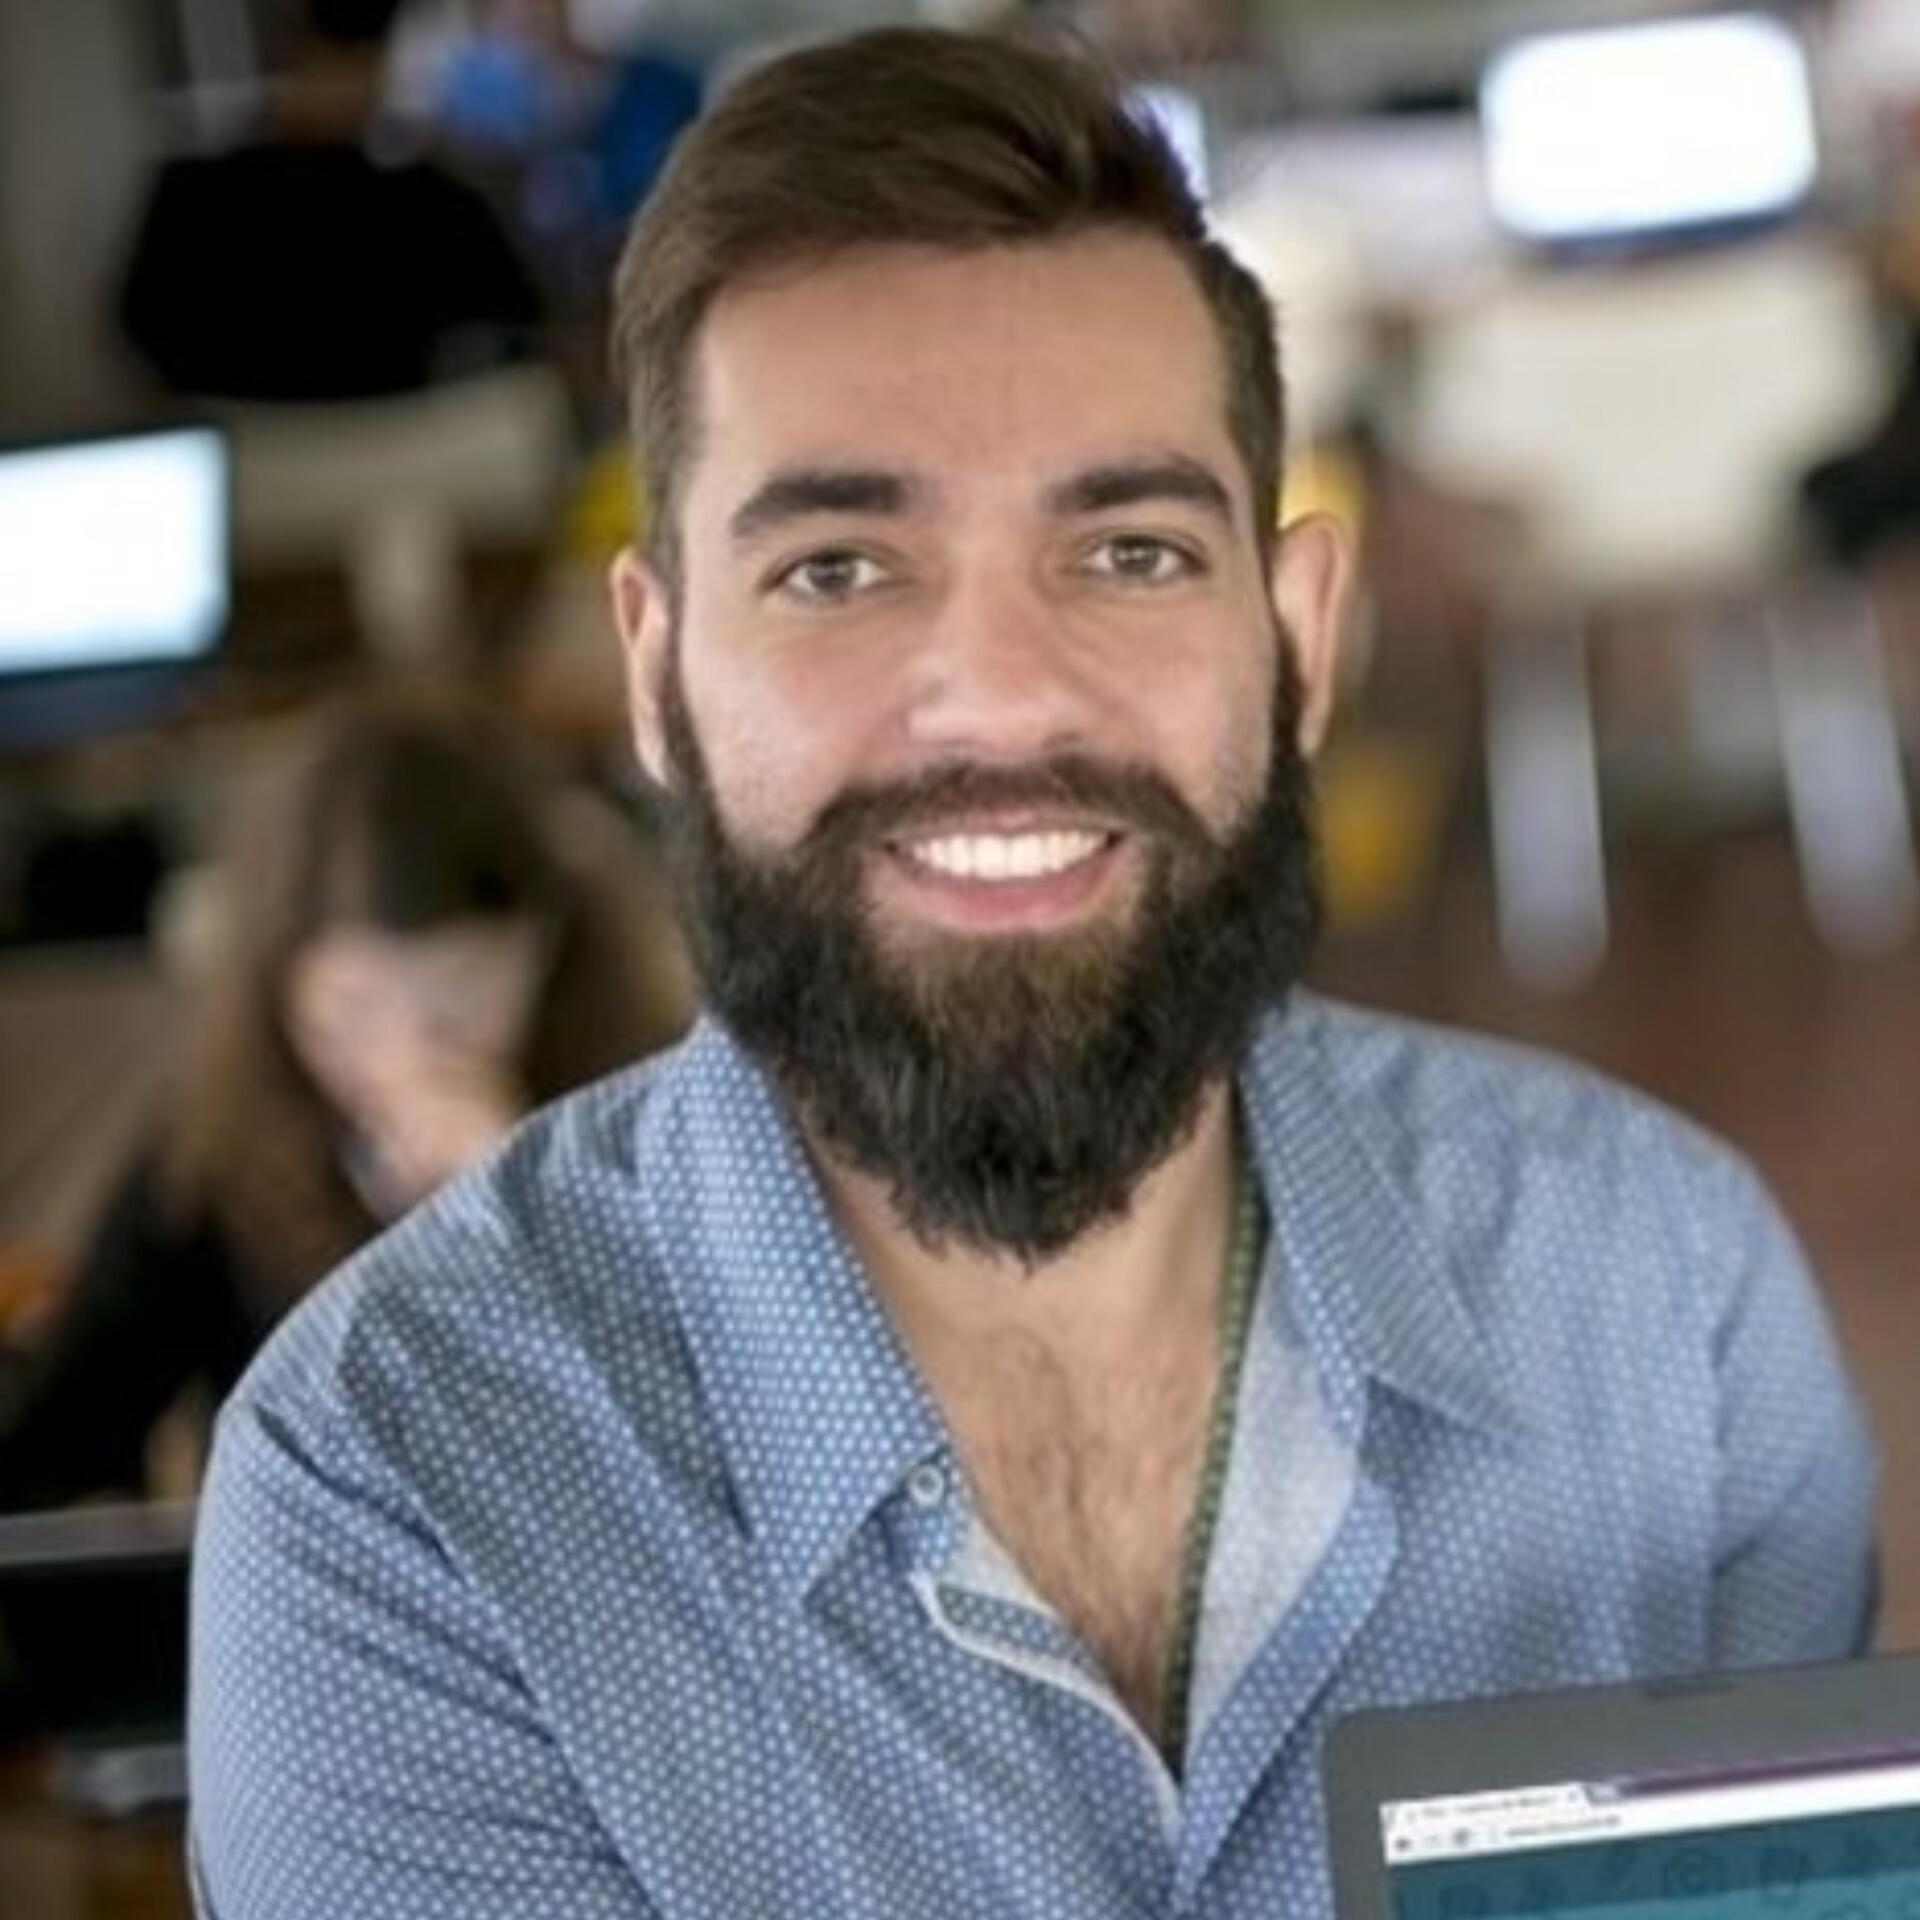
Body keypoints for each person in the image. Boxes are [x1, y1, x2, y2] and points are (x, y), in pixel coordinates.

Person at [188, 29, 1877, 1920]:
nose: (996, 694)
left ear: (1302, 642)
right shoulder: (397, 1506)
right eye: (838, 569)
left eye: (1132, 550)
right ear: (657, 676)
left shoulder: (1670, 1307)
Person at [0, 686, 686, 1513]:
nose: (403, 1053)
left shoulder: (656, 1126)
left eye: (457, 997)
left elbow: (692, 1441)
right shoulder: (221, 1146)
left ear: (543, 947)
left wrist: (517, 1207)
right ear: (280, 987)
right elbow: (55, 1441)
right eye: (351, 1007)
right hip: (309, 1612)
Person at [117, 0, 546, 402]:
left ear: (289, 38)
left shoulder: (190, 198)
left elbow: (138, 334)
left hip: (252, 465)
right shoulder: (440, 206)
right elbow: (524, 330)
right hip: (418, 469)